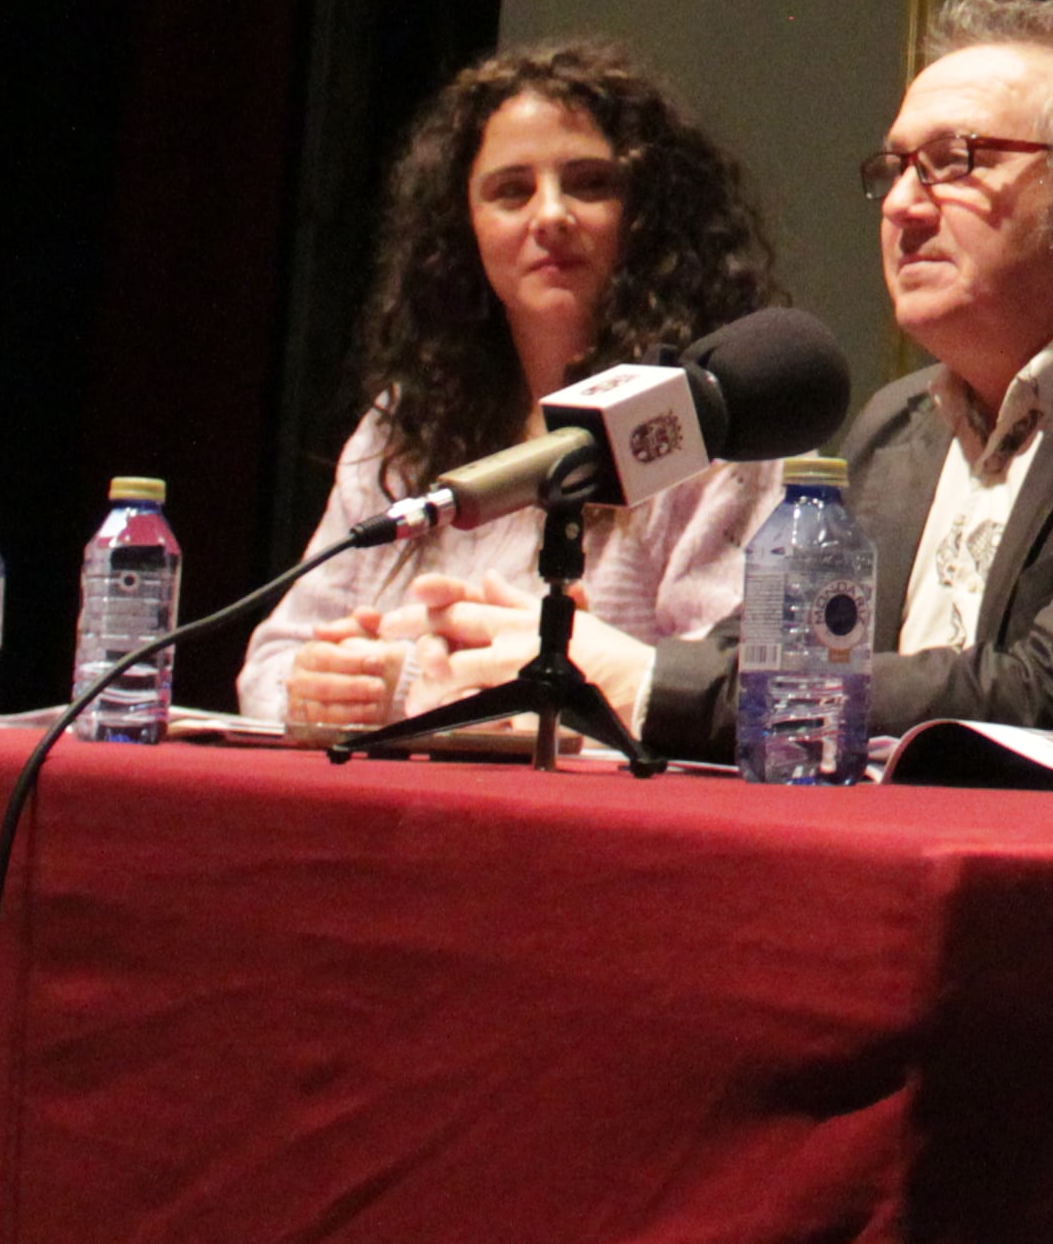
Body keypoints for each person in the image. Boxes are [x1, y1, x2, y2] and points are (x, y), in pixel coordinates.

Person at [580, 0, 1053, 756]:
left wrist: (649, 684)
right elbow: (757, 650)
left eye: (956, 160)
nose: (901, 205)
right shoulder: (897, 422)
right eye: (894, 169)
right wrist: (560, 653)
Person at [239, 41, 789, 738]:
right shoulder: (402, 427)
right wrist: (314, 689)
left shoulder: (702, 426)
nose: (550, 214)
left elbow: (721, 694)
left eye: (590, 183)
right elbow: (270, 664)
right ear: (462, 228)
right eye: (511, 190)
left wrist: (426, 685)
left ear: (649, 217)